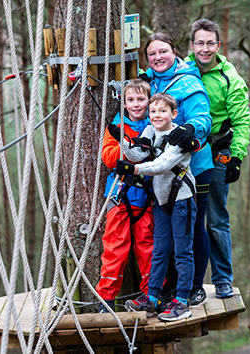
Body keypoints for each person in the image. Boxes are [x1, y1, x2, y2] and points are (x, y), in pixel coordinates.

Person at [143, 32, 213, 307]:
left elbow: (202, 118)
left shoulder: (189, 83)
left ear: (174, 52)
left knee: (194, 228)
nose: (158, 57)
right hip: (161, 172)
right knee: (167, 234)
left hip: (193, 169)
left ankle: (195, 286)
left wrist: (190, 128)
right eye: (152, 54)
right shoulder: (147, 80)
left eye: (163, 51)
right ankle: (171, 287)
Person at [186, 18, 250, 298]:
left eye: (210, 43)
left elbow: (242, 120)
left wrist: (236, 156)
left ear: (218, 45)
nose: (205, 48)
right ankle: (187, 281)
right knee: (184, 219)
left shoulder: (230, 78)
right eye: (200, 42)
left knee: (215, 219)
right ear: (192, 45)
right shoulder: (182, 70)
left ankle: (223, 278)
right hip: (183, 153)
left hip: (217, 154)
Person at [121, 93, 197, 321]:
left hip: (182, 199)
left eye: (162, 111)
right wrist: (122, 141)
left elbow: (161, 165)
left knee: (183, 252)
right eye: (153, 111)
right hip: (162, 201)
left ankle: (182, 300)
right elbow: (137, 154)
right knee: (160, 250)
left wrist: (133, 170)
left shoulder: (180, 137)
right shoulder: (150, 131)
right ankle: (152, 296)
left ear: (173, 114)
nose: (156, 116)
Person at [95, 79, 155, 314]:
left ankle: (151, 294)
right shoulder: (117, 126)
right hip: (120, 195)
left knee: (148, 246)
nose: (136, 104)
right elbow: (109, 157)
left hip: (147, 196)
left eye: (141, 99)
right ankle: (106, 298)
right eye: (131, 100)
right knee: (115, 247)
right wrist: (128, 146)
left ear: (149, 101)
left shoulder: (155, 124)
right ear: (124, 102)